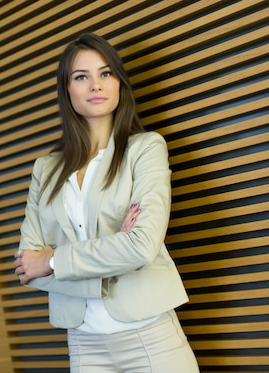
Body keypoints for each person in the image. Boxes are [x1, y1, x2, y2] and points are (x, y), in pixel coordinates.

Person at [14, 33, 199, 372]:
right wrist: (115, 251)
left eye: (105, 73)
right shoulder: (46, 169)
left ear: (119, 83)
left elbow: (142, 246)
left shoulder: (145, 149)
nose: (95, 85)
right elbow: (29, 268)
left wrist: (54, 260)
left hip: (150, 338)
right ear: (66, 89)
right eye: (81, 77)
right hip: (84, 346)